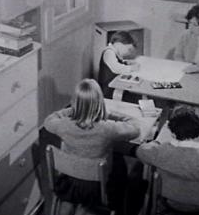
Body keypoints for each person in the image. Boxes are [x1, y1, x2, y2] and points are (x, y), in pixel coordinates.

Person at [44, 78, 141, 215]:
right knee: (120, 164)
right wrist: (111, 114)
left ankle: (75, 206)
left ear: (74, 102)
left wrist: (72, 111)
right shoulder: (108, 129)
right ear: (100, 103)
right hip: (96, 188)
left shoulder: (64, 125)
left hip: (68, 184)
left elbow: (48, 121)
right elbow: (136, 128)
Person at [98, 31, 140, 98]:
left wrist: (127, 63)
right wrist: (131, 68)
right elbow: (116, 68)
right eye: (128, 49)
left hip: (115, 85)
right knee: (134, 95)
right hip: (108, 90)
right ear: (119, 44)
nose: (129, 53)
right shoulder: (109, 52)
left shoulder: (115, 52)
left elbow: (118, 62)